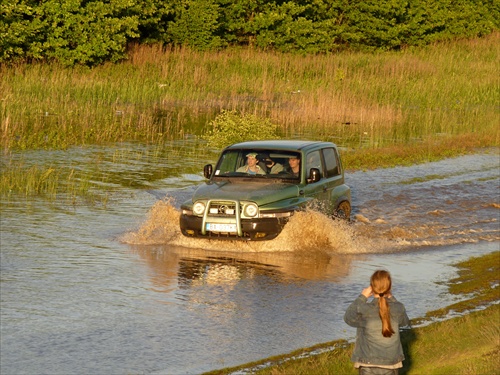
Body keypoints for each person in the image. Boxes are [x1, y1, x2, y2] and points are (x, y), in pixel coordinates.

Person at [344, 270, 410, 375]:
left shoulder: (364, 309)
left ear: (371, 287)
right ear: (390, 287)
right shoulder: (398, 307)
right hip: (391, 363)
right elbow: (405, 323)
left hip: (367, 362)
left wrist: (362, 296)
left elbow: (348, 318)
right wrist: (391, 298)